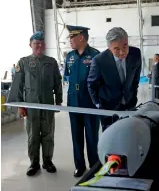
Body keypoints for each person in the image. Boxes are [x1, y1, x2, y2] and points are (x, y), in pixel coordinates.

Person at [11, 31, 62, 176]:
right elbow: (18, 86)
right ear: (30, 45)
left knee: (48, 135)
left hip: (48, 105)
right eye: (36, 43)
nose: (39, 45)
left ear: (44, 45)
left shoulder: (51, 62)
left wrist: (58, 101)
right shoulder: (23, 62)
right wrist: (21, 106)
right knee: (33, 136)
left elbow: (58, 83)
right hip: (31, 106)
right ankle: (34, 163)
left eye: (41, 43)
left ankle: (47, 161)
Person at [87, 27, 142, 131]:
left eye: (125, 46)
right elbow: (91, 84)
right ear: (109, 48)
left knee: (128, 136)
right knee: (110, 140)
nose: (122, 52)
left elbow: (136, 79)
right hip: (108, 108)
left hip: (129, 105)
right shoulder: (99, 61)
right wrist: (98, 104)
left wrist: (133, 96)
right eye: (116, 49)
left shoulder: (135, 54)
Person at [64, 25, 100, 177]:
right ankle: (79, 165)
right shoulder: (69, 56)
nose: (70, 40)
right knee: (76, 136)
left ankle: (94, 165)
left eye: (72, 37)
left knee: (92, 137)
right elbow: (67, 76)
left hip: (90, 102)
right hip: (73, 101)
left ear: (81, 37)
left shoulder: (96, 56)